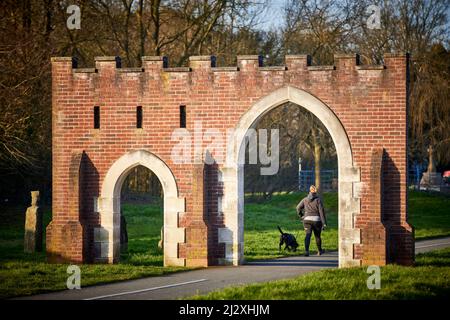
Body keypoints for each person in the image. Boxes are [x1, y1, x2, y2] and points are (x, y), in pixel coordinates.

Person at [296, 185, 327, 256]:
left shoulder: (305, 199)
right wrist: (324, 223)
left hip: (307, 220)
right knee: (317, 236)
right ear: (316, 192)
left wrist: (301, 216)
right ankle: (319, 251)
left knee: (308, 235)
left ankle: (306, 251)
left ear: (309, 191)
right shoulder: (318, 200)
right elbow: (321, 211)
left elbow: (298, 208)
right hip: (317, 220)